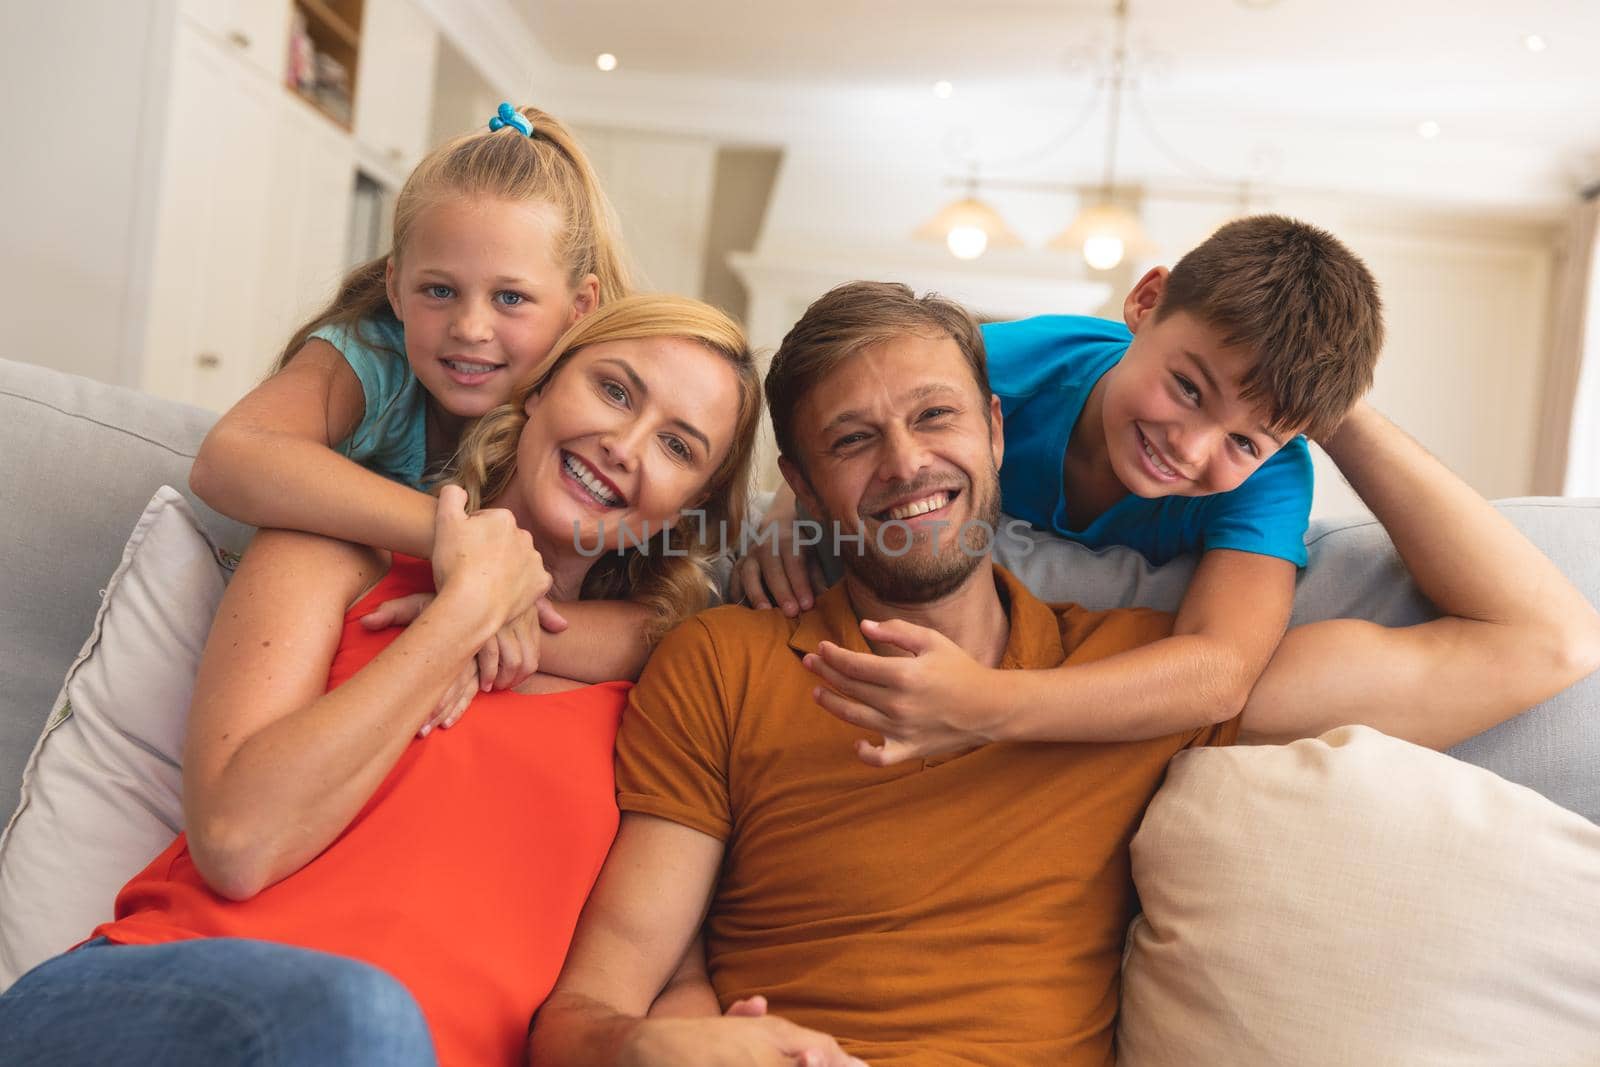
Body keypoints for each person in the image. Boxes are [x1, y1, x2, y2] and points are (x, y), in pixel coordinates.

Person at [527, 282, 1600, 1066]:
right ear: (799, 487)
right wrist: (658, 1050)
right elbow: (581, 1017)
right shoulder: (721, 662)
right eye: (855, 439)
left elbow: (1544, 639)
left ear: (997, 429)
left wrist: (1321, 395)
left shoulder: (1145, 674)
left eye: (937, 417)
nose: (906, 463)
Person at [0, 296, 764, 1067]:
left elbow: (664, 975)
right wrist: (457, 620)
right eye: (615, 390)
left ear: (691, 505)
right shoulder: (336, 555)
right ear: (540, 387)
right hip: (149, 1006)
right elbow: (239, 841)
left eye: (677, 444)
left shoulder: (665, 698)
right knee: (362, 1012)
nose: (624, 444)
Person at [735, 218, 1383, 761]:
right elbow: (855, 411)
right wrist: (793, 509)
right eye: (1188, 388)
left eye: (1245, 439)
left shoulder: (1272, 473)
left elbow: (1219, 670)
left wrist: (980, 703)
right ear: (1145, 302)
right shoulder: (1008, 363)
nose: (1190, 446)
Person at [190, 102, 643, 718]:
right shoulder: (372, 356)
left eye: (511, 297)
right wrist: (465, 540)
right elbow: (229, 457)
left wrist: (493, 613)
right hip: (304, 649)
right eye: (439, 290)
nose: (470, 327)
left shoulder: (594, 410)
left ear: (579, 306)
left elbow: (659, 617)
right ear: (398, 288)